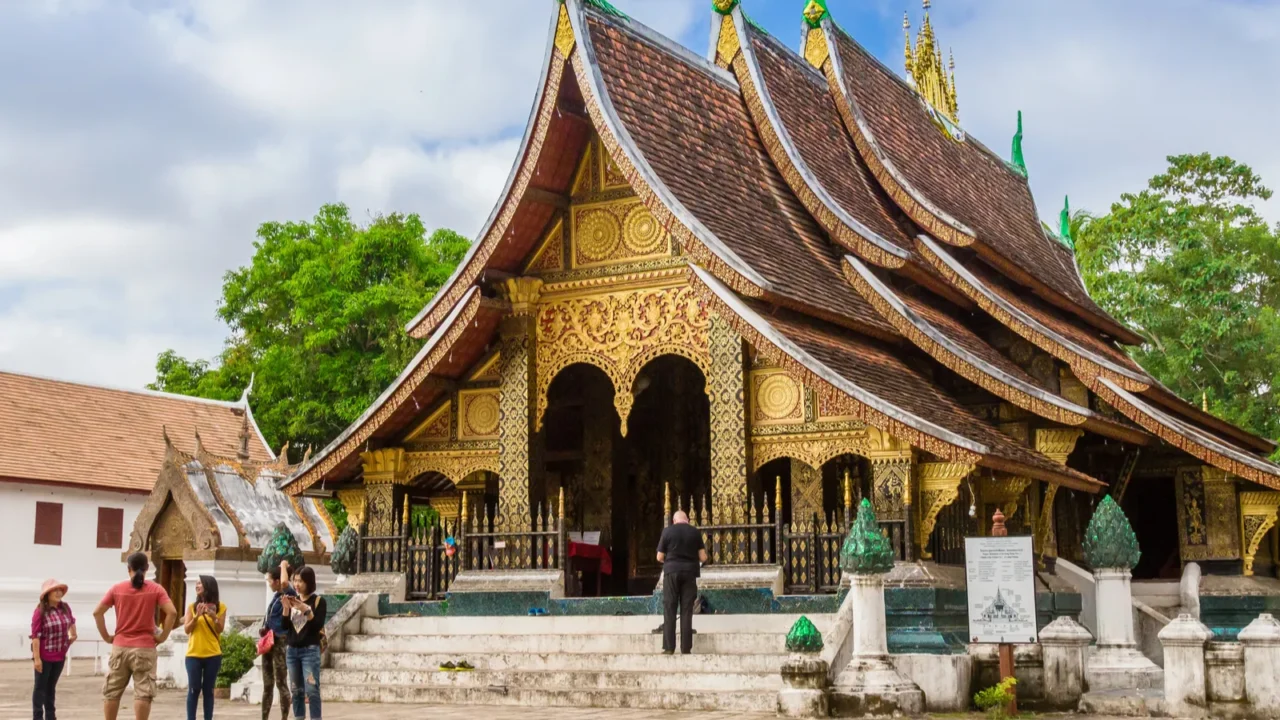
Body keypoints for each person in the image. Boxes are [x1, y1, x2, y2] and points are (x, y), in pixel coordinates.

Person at [93, 552, 178, 720]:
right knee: (143, 693)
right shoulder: (155, 589)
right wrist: (162, 636)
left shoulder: (117, 589)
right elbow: (172, 612)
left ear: (128, 569)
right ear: (147, 568)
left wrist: (107, 637)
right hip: (145, 647)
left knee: (112, 692)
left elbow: (97, 612)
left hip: (120, 646)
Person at [656, 510, 707, 655]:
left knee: (670, 608)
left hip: (671, 573)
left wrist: (671, 561)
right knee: (687, 610)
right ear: (688, 520)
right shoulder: (695, 532)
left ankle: (669, 647)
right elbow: (703, 557)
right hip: (690, 573)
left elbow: (659, 557)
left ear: (674, 521)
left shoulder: (667, 532)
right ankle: (686, 648)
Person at [282, 562, 326, 720]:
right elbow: (285, 627)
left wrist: (306, 610)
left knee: (312, 690)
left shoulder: (318, 601)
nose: (296, 584)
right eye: (295, 580)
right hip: (292, 651)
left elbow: (317, 626)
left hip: (310, 651)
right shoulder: (293, 600)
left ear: (309, 582)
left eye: (300, 581)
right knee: (296, 690)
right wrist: (286, 609)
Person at [31, 578, 76, 720]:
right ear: (47, 594)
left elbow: (71, 621)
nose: (58, 593)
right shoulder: (40, 612)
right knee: (40, 688)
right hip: (44, 657)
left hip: (59, 655)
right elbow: (35, 636)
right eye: (54, 590)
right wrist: (37, 659)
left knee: (51, 688)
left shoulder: (65, 607)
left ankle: (51, 716)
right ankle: (37, 716)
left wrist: (73, 636)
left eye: (60, 590)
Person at [183, 575, 226, 720]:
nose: (197, 586)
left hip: (213, 655)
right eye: (196, 583)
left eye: (200, 583)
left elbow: (220, 629)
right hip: (193, 654)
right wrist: (196, 617)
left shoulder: (220, 607)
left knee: (208, 690)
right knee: (193, 689)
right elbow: (187, 629)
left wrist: (214, 617)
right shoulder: (192, 607)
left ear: (208, 586)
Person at [260, 563, 296, 720]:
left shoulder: (289, 594)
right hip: (269, 641)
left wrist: (283, 566)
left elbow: (285, 583)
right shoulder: (275, 597)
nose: (269, 583)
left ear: (277, 581)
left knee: (281, 683)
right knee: (267, 684)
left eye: (270, 580)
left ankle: (284, 717)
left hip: (280, 642)